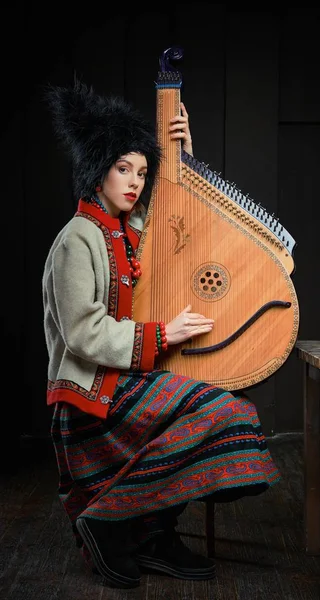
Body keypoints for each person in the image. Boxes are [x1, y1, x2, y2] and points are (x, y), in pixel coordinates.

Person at [42, 80, 281, 590]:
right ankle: (108, 521)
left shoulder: (128, 230)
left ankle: (153, 533)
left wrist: (181, 155)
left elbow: (174, 220)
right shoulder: (77, 238)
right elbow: (83, 332)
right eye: (122, 168)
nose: (134, 182)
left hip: (123, 388)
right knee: (221, 411)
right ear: (97, 169)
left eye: (142, 173)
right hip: (92, 402)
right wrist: (163, 333)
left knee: (227, 406)